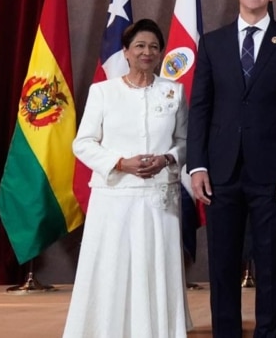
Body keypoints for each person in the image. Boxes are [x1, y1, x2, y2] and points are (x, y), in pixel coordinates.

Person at [188, 0, 276, 338]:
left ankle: (266, 334)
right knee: (222, 264)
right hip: (221, 172)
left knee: (271, 263)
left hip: (272, 173)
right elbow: (201, 107)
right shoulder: (212, 42)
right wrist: (197, 165)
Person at [65, 19, 190, 338]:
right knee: (113, 269)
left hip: (160, 199)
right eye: (139, 46)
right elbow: (83, 143)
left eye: (153, 47)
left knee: (155, 268)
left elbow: (185, 141)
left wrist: (167, 159)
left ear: (161, 53)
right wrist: (121, 163)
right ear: (126, 52)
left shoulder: (173, 91)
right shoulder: (103, 91)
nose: (146, 52)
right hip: (114, 197)